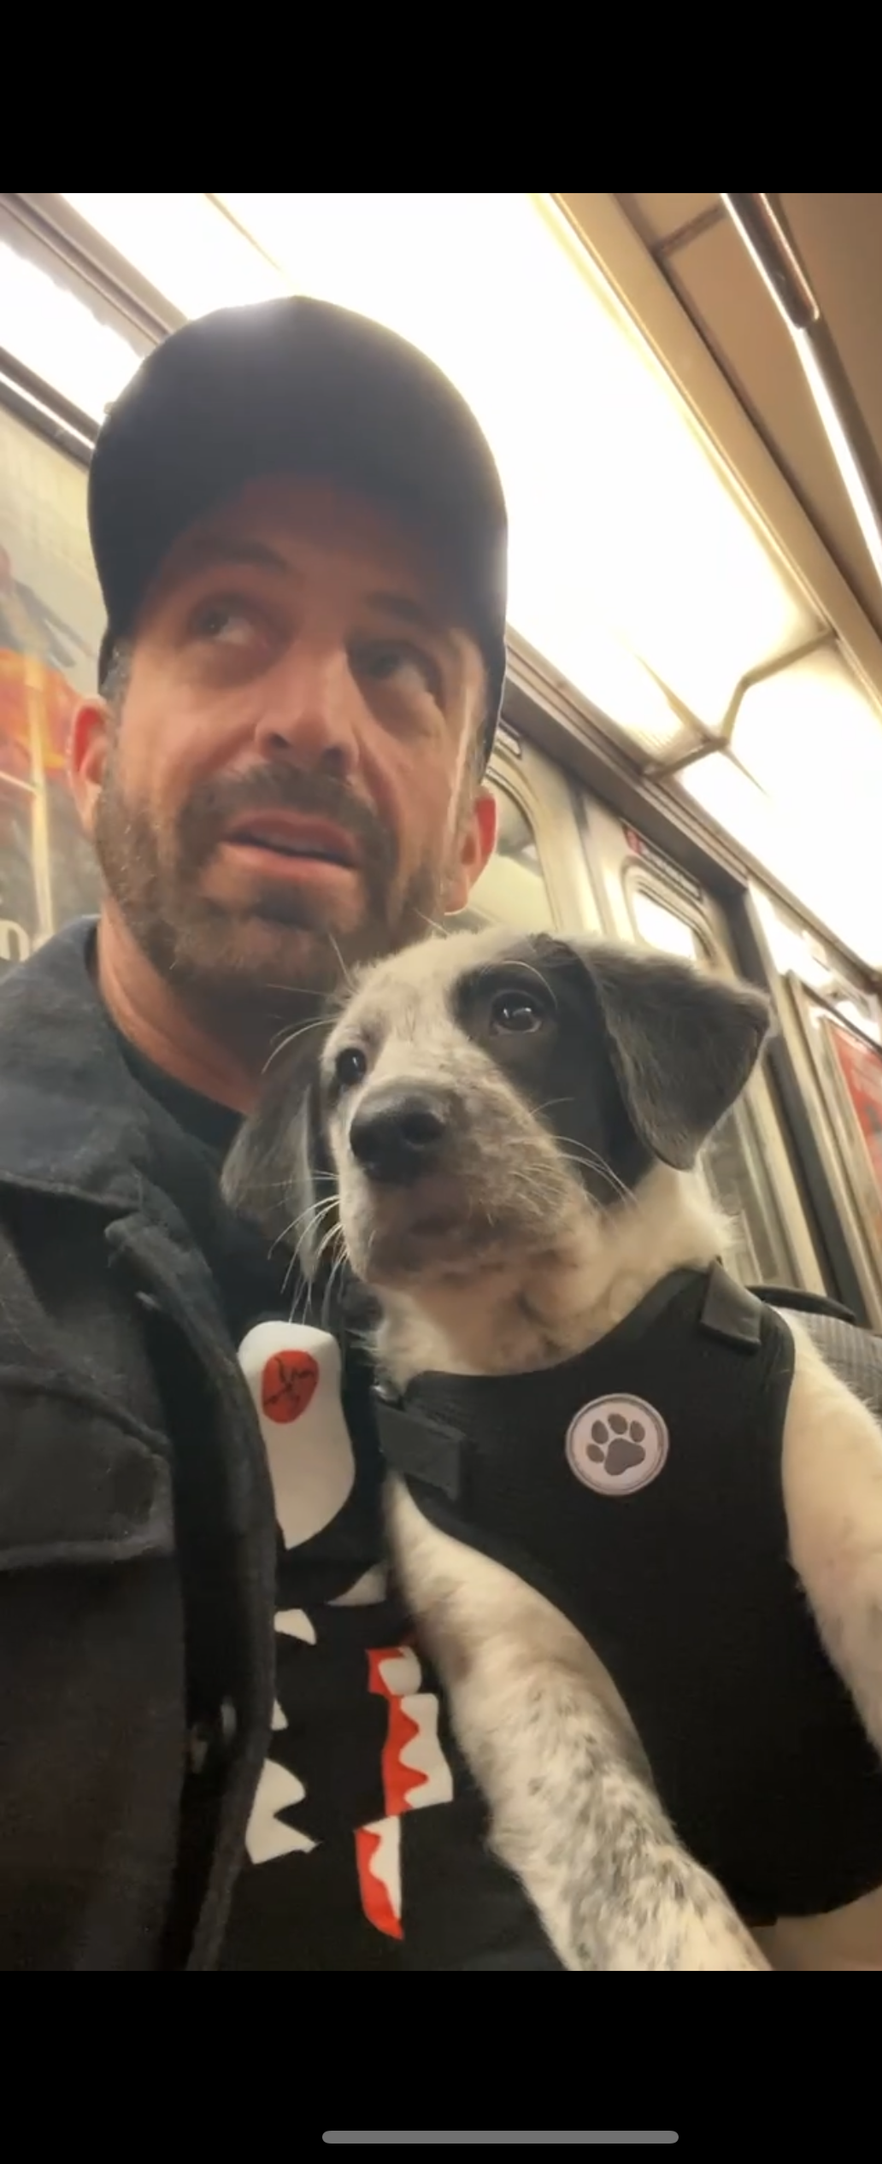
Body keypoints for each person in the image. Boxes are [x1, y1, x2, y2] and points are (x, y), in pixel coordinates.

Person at [0, 295, 562, 1970]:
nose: (315, 715)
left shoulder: (580, 1213)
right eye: (230, 620)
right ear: (94, 755)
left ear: (467, 843)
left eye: (397, 664)